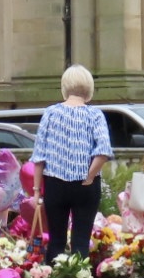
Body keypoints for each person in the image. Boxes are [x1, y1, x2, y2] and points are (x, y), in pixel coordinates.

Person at [29, 65, 113, 262]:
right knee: (81, 241)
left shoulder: (50, 113)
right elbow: (103, 152)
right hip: (86, 186)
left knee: (56, 240)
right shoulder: (95, 115)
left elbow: (39, 155)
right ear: (88, 88)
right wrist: (89, 176)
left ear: (65, 86)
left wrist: (35, 189)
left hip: (55, 184)